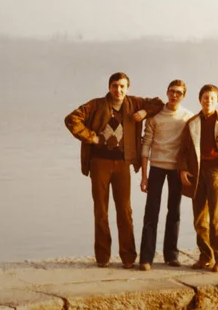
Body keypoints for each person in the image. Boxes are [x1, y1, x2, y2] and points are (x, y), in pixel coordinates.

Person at [64, 72, 164, 269]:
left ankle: (128, 257)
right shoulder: (95, 105)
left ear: (127, 88)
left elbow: (159, 103)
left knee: (124, 210)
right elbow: (71, 119)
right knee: (101, 209)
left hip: (122, 165)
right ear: (109, 87)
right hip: (99, 163)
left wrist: (144, 113)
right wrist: (91, 137)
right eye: (115, 86)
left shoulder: (134, 103)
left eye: (122, 86)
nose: (118, 90)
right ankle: (102, 257)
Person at [177, 84, 218, 273]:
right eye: (206, 97)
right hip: (196, 174)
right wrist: (182, 169)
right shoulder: (192, 123)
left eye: (212, 98)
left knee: (217, 218)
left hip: (216, 173)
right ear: (200, 100)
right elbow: (183, 150)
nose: (209, 101)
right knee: (199, 219)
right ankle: (205, 256)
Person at [138, 80, 193, 271]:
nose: (174, 95)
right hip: (157, 167)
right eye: (171, 91)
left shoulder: (188, 117)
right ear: (167, 92)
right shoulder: (155, 116)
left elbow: (190, 148)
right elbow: (146, 145)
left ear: (183, 95)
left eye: (178, 92)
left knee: (174, 211)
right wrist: (144, 176)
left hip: (176, 169)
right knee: (151, 211)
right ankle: (146, 258)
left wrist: (187, 169)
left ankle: (171, 255)